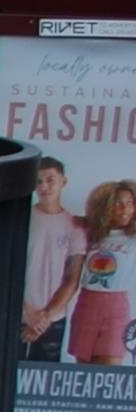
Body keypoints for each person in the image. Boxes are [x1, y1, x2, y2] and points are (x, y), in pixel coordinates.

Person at [26, 156, 87, 361]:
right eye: (38, 181)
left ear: (63, 182)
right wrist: (29, 313)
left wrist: (46, 317)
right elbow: (9, 270)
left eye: (50, 179)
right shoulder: (22, 219)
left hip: (53, 319)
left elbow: (72, 279)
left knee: (42, 383)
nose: (44, 186)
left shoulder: (75, 226)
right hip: (19, 315)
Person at [75, 179, 136, 368]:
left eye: (130, 203)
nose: (125, 209)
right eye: (118, 203)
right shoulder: (87, 232)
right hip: (87, 303)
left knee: (108, 372)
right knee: (83, 372)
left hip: (116, 306)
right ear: (105, 206)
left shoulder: (133, 236)